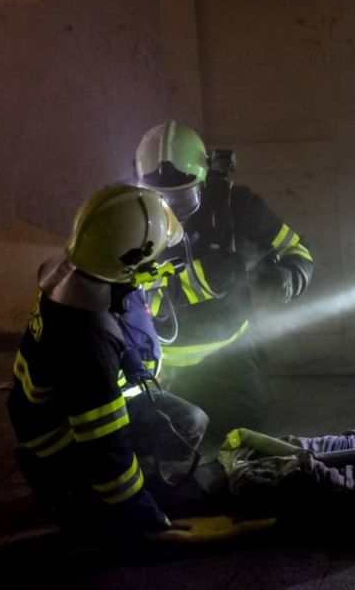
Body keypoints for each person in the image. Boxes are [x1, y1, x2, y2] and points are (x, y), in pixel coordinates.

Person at [7, 184, 269, 543]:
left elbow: (119, 312)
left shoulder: (79, 273)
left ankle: (101, 486)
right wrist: (142, 514)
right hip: (60, 438)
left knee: (190, 421)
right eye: (153, 257)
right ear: (129, 259)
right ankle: (77, 496)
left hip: (51, 414)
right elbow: (104, 442)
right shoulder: (88, 340)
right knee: (127, 473)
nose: (159, 263)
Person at [134, 121, 314, 444]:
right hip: (160, 362)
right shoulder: (130, 216)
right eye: (162, 199)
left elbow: (297, 250)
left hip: (227, 354)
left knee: (244, 426)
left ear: (203, 181)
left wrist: (290, 277)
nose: (172, 212)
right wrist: (204, 278)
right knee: (149, 437)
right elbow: (125, 291)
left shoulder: (237, 206)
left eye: (183, 199)